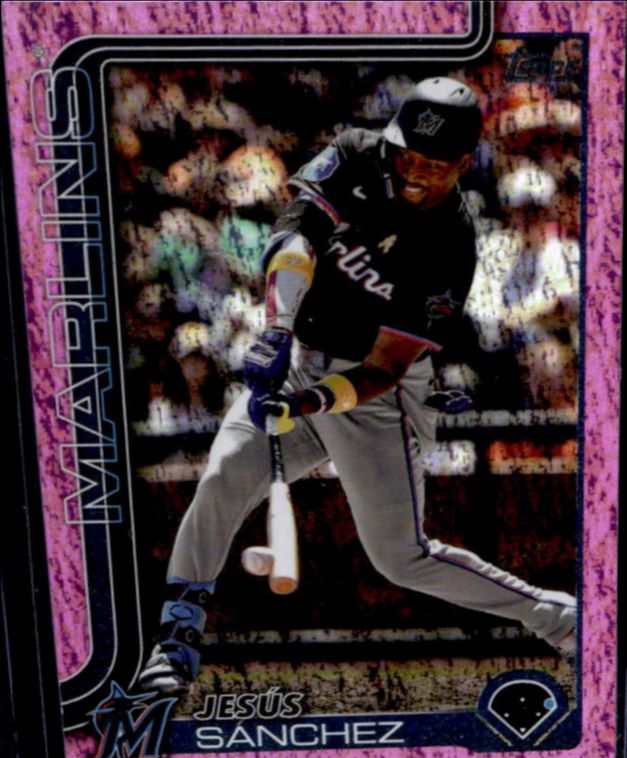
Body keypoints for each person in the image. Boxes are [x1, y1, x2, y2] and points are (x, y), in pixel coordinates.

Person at [138, 77, 576, 695]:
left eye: (434, 164)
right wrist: (278, 328)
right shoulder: (355, 153)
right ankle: (176, 643)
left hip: (374, 394)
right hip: (297, 351)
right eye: (408, 156)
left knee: (401, 558)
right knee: (223, 476)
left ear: (462, 164)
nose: (415, 173)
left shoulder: (451, 246)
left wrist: (310, 402)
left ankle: (564, 621)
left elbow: (384, 368)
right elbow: (294, 237)